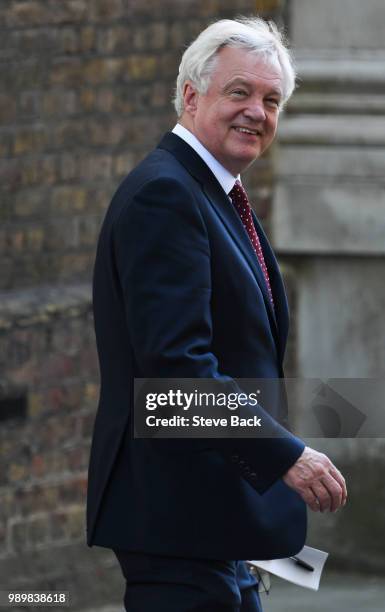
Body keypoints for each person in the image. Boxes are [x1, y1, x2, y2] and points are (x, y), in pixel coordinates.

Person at [86, 17, 347, 612]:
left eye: (272, 99)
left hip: (217, 520)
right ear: (190, 95)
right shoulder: (167, 195)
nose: (257, 111)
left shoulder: (211, 190)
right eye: (240, 92)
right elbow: (176, 371)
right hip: (179, 519)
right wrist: (286, 454)